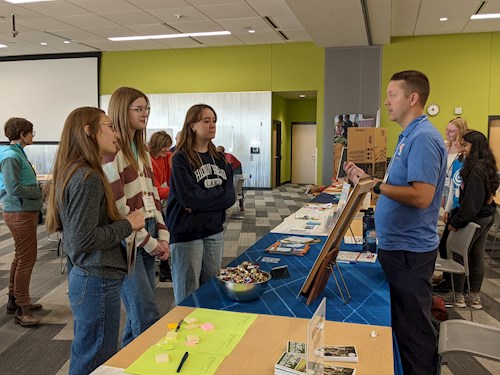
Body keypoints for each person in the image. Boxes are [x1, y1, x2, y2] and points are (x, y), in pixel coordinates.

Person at [344, 70, 446, 375]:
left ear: (412, 98)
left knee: (414, 329)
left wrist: (375, 184)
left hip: (409, 251)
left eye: (392, 95)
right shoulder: (409, 136)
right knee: (404, 323)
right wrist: (367, 181)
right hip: (399, 246)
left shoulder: (424, 138)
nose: (387, 102)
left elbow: (421, 196)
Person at [45, 107, 145, 374]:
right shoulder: (87, 177)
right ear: (89, 131)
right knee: (95, 357)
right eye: (110, 126)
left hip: (92, 276)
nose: (116, 133)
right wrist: (128, 224)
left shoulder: (81, 171)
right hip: (96, 278)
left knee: (90, 350)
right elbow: (81, 239)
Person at [102, 87, 170, 348]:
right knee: (146, 313)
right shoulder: (112, 151)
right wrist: (152, 244)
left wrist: (162, 235)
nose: (145, 115)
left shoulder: (141, 149)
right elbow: (120, 210)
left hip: (148, 230)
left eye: (147, 109)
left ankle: (126, 363)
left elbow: (153, 195)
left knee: (138, 316)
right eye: (138, 109)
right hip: (129, 240)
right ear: (122, 110)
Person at [167, 104, 235, 304]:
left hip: (214, 231)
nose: (212, 125)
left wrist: (203, 199)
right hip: (186, 234)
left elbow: (230, 198)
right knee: (188, 293)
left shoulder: (220, 159)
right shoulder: (180, 158)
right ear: (192, 125)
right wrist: (217, 197)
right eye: (206, 121)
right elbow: (190, 199)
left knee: (211, 290)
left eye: (214, 121)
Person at [444, 130, 498, 309]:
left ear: (474, 147)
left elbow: (471, 205)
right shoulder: (487, 164)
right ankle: (474, 297)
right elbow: (493, 187)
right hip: (488, 215)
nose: (463, 148)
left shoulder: (475, 169)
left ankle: (458, 296)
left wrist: (455, 222)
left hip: (475, 218)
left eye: (466, 145)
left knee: (459, 255)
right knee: (476, 255)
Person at [0, 118, 43, 326]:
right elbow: (13, 188)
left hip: (23, 210)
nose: (33, 136)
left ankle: (14, 301)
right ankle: (22, 309)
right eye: (31, 132)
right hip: (19, 212)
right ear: (22, 133)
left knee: (20, 257)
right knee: (27, 259)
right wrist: (40, 191)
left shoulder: (17, 152)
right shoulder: (10, 155)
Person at [149, 130, 173, 282]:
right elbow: (156, 191)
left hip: (165, 201)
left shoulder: (167, 157)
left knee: (166, 234)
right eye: (165, 147)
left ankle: (165, 268)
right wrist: (176, 191)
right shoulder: (149, 161)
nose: (167, 150)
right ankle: (164, 270)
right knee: (161, 234)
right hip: (153, 204)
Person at [441, 117, 469, 211]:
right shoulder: (443, 145)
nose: (447, 133)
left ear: (460, 132)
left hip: (454, 189)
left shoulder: (464, 150)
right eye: (447, 129)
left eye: (451, 131)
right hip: (441, 187)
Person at [216, 145, 244, 211]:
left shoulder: (229, 156)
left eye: (220, 153)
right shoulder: (219, 157)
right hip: (230, 169)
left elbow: (228, 168)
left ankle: (241, 205)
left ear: (223, 152)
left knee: (238, 187)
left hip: (237, 169)